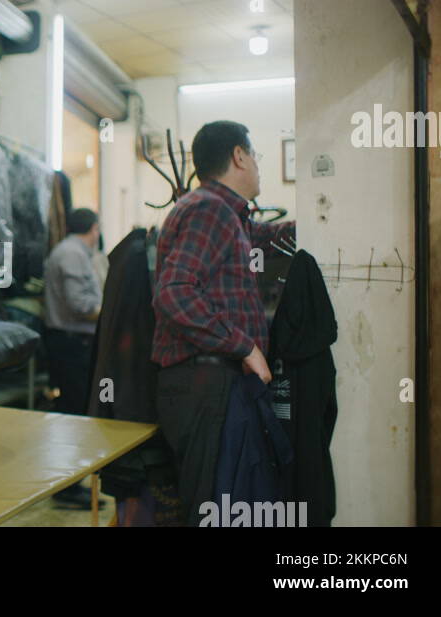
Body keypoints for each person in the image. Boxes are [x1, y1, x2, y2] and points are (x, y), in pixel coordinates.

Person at [151, 121, 295, 525]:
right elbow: (174, 293)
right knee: (216, 509)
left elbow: (257, 238)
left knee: (225, 507)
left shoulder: (221, 214)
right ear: (239, 156)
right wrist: (244, 347)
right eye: (256, 156)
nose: (258, 166)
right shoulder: (209, 210)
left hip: (208, 385)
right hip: (205, 385)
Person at [43, 207, 104, 508]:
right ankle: (66, 488)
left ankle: (70, 484)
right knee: (74, 415)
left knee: (75, 413)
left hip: (73, 344)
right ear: (94, 229)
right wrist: (114, 314)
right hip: (71, 345)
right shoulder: (71, 253)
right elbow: (80, 304)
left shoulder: (72, 251)